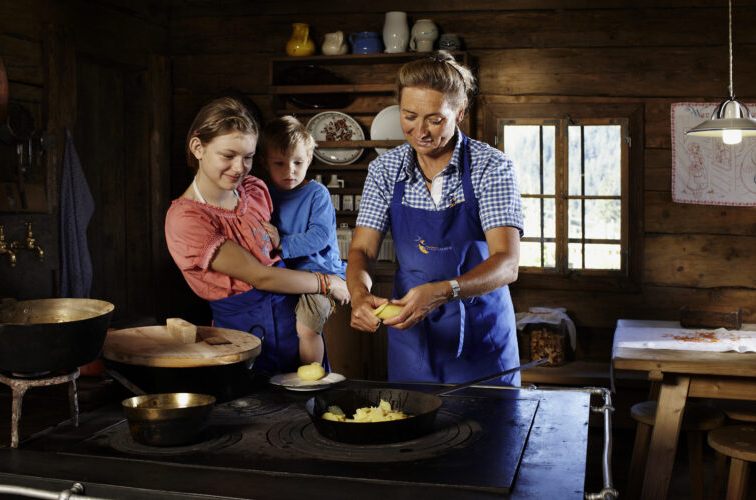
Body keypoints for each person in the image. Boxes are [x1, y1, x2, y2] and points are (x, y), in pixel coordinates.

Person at [346, 51, 524, 385]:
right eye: (409, 115)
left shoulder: (491, 167)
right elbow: (363, 251)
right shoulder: (385, 170)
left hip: (481, 337)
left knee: (494, 434)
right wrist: (358, 294)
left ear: (459, 113)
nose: (420, 131)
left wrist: (446, 290)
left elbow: (507, 262)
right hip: (412, 336)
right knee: (412, 431)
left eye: (435, 119)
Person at [165, 96, 349, 374]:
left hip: (294, 329)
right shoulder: (186, 219)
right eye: (228, 155)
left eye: (248, 157)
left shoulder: (253, 189)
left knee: (309, 399)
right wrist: (327, 281)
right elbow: (261, 275)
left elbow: (279, 251)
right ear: (197, 147)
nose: (240, 168)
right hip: (242, 338)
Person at [258, 116, 347, 365]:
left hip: (321, 274)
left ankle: (311, 377)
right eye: (280, 163)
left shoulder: (317, 193)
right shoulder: (264, 193)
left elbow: (319, 237)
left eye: (298, 162)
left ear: (309, 160)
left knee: (307, 329)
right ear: (264, 162)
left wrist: (281, 243)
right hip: (287, 275)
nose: (290, 171)